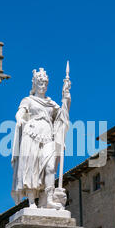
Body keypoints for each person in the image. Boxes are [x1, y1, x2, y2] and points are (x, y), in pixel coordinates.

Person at [11, 67, 71, 209]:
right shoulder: (28, 100)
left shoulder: (51, 103)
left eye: (45, 84)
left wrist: (66, 98)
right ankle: (31, 201)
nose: (43, 86)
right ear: (35, 84)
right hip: (31, 135)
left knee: (50, 168)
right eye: (40, 83)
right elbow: (20, 112)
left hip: (48, 136)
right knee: (32, 168)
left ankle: (49, 199)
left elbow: (63, 115)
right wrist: (19, 119)